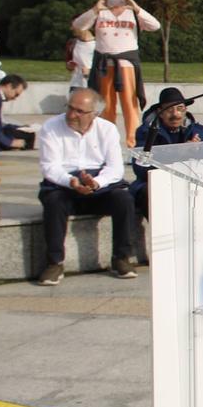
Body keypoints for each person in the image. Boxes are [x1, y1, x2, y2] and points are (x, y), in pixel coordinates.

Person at [36, 88, 139, 285]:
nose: (72, 115)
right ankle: (54, 263)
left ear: (94, 113)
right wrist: (71, 182)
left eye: (79, 111)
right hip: (64, 185)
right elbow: (49, 167)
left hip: (99, 185)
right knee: (53, 201)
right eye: (70, 108)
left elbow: (115, 168)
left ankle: (122, 258)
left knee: (124, 199)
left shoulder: (107, 129)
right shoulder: (51, 127)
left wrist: (96, 183)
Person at [73, 0, 160, 148]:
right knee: (106, 107)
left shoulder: (132, 13)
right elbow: (78, 25)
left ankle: (134, 144)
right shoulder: (100, 13)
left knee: (130, 106)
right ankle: (107, 145)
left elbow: (155, 25)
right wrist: (95, 9)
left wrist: (136, 8)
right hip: (104, 66)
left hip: (127, 64)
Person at [131, 87, 203, 217]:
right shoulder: (147, 132)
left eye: (180, 109)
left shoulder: (197, 131)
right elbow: (140, 169)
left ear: (185, 111)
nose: (175, 114)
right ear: (160, 112)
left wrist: (198, 150)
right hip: (155, 182)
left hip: (186, 181)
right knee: (150, 192)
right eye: (170, 109)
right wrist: (180, 153)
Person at [66, 28, 94, 92]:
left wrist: (90, 72)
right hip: (75, 84)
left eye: (75, 25)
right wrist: (69, 65)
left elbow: (104, 67)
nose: (71, 28)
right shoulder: (72, 43)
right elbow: (68, 62)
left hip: (93, 85)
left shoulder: (98, 44)